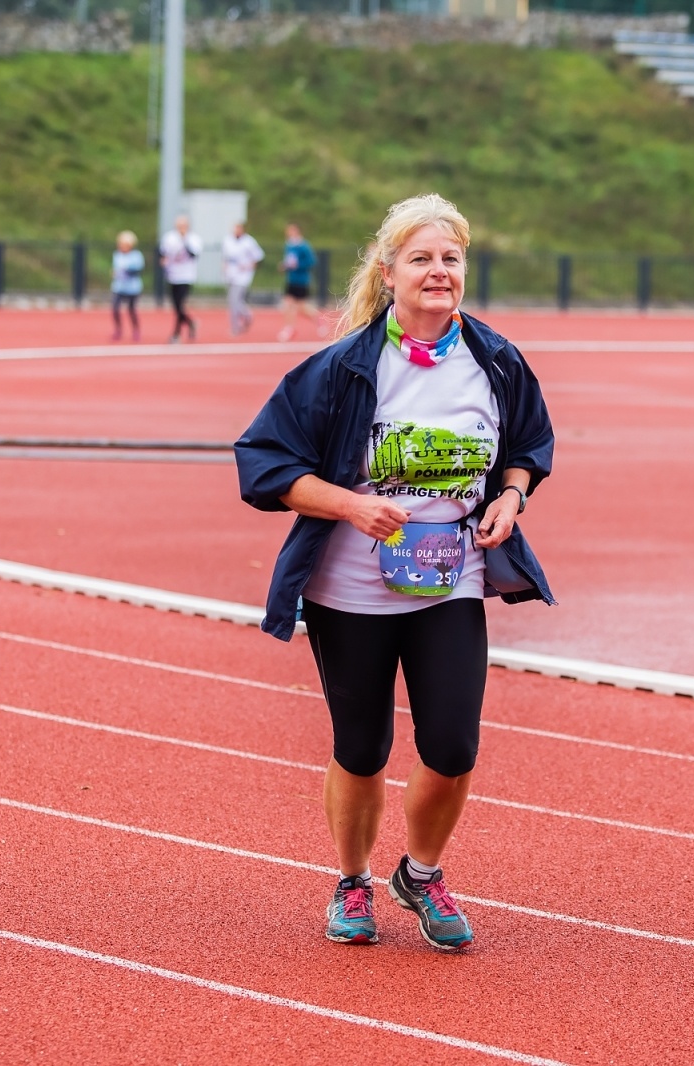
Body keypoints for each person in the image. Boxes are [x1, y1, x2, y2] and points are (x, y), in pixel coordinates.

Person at [235, 193, 555, 952]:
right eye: (421, 258)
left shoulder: (496, 360)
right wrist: (351, 505)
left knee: (451, 746)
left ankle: (421, 872)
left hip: (451, 580)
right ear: (388, 272)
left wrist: (510, 497)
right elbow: (264, 465)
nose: (438, 272)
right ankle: (352, 882)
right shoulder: (341, 369)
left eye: (450, 258)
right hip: (349, 587)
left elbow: (530, 447)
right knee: (363, 746)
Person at [158, 214, 203, 343]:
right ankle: (190, 322)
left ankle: (176, 334)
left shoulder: (193, 238)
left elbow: (193, 254)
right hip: (172, 275)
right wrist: (163, 261)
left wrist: (184, 239)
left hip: (186, 276)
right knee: (176, 306)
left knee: (181, 305)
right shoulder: (169, 237)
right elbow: (162, 252)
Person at [277, 223, 319, 342]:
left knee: (301, 307)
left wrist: (298, 265)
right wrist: (284, 266)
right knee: (288, 304)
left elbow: (311, 261)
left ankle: (317, 319)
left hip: (302, 280)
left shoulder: (304, 246)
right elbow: (289, 261)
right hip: (291, 280)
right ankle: (289, 329)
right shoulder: (289, 245)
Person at [222, 221, 265, 337]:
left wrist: (248, 266)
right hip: (230, 274)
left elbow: (258, 256)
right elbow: (226, 257)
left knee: (234, 300)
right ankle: (247, 314)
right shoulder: (228, 240)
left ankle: (235, 327)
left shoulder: (249, 242)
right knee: (234, 300)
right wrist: (224, 267)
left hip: (242, 276)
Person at [110, 231, 145, 342]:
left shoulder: (136, 256)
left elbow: (138, 270)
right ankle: (118, 330)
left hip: (132, 287)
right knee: (115, 308)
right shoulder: (117, 255)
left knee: (132, 310)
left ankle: (136, 330)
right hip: (119, 286)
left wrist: (125, 271)